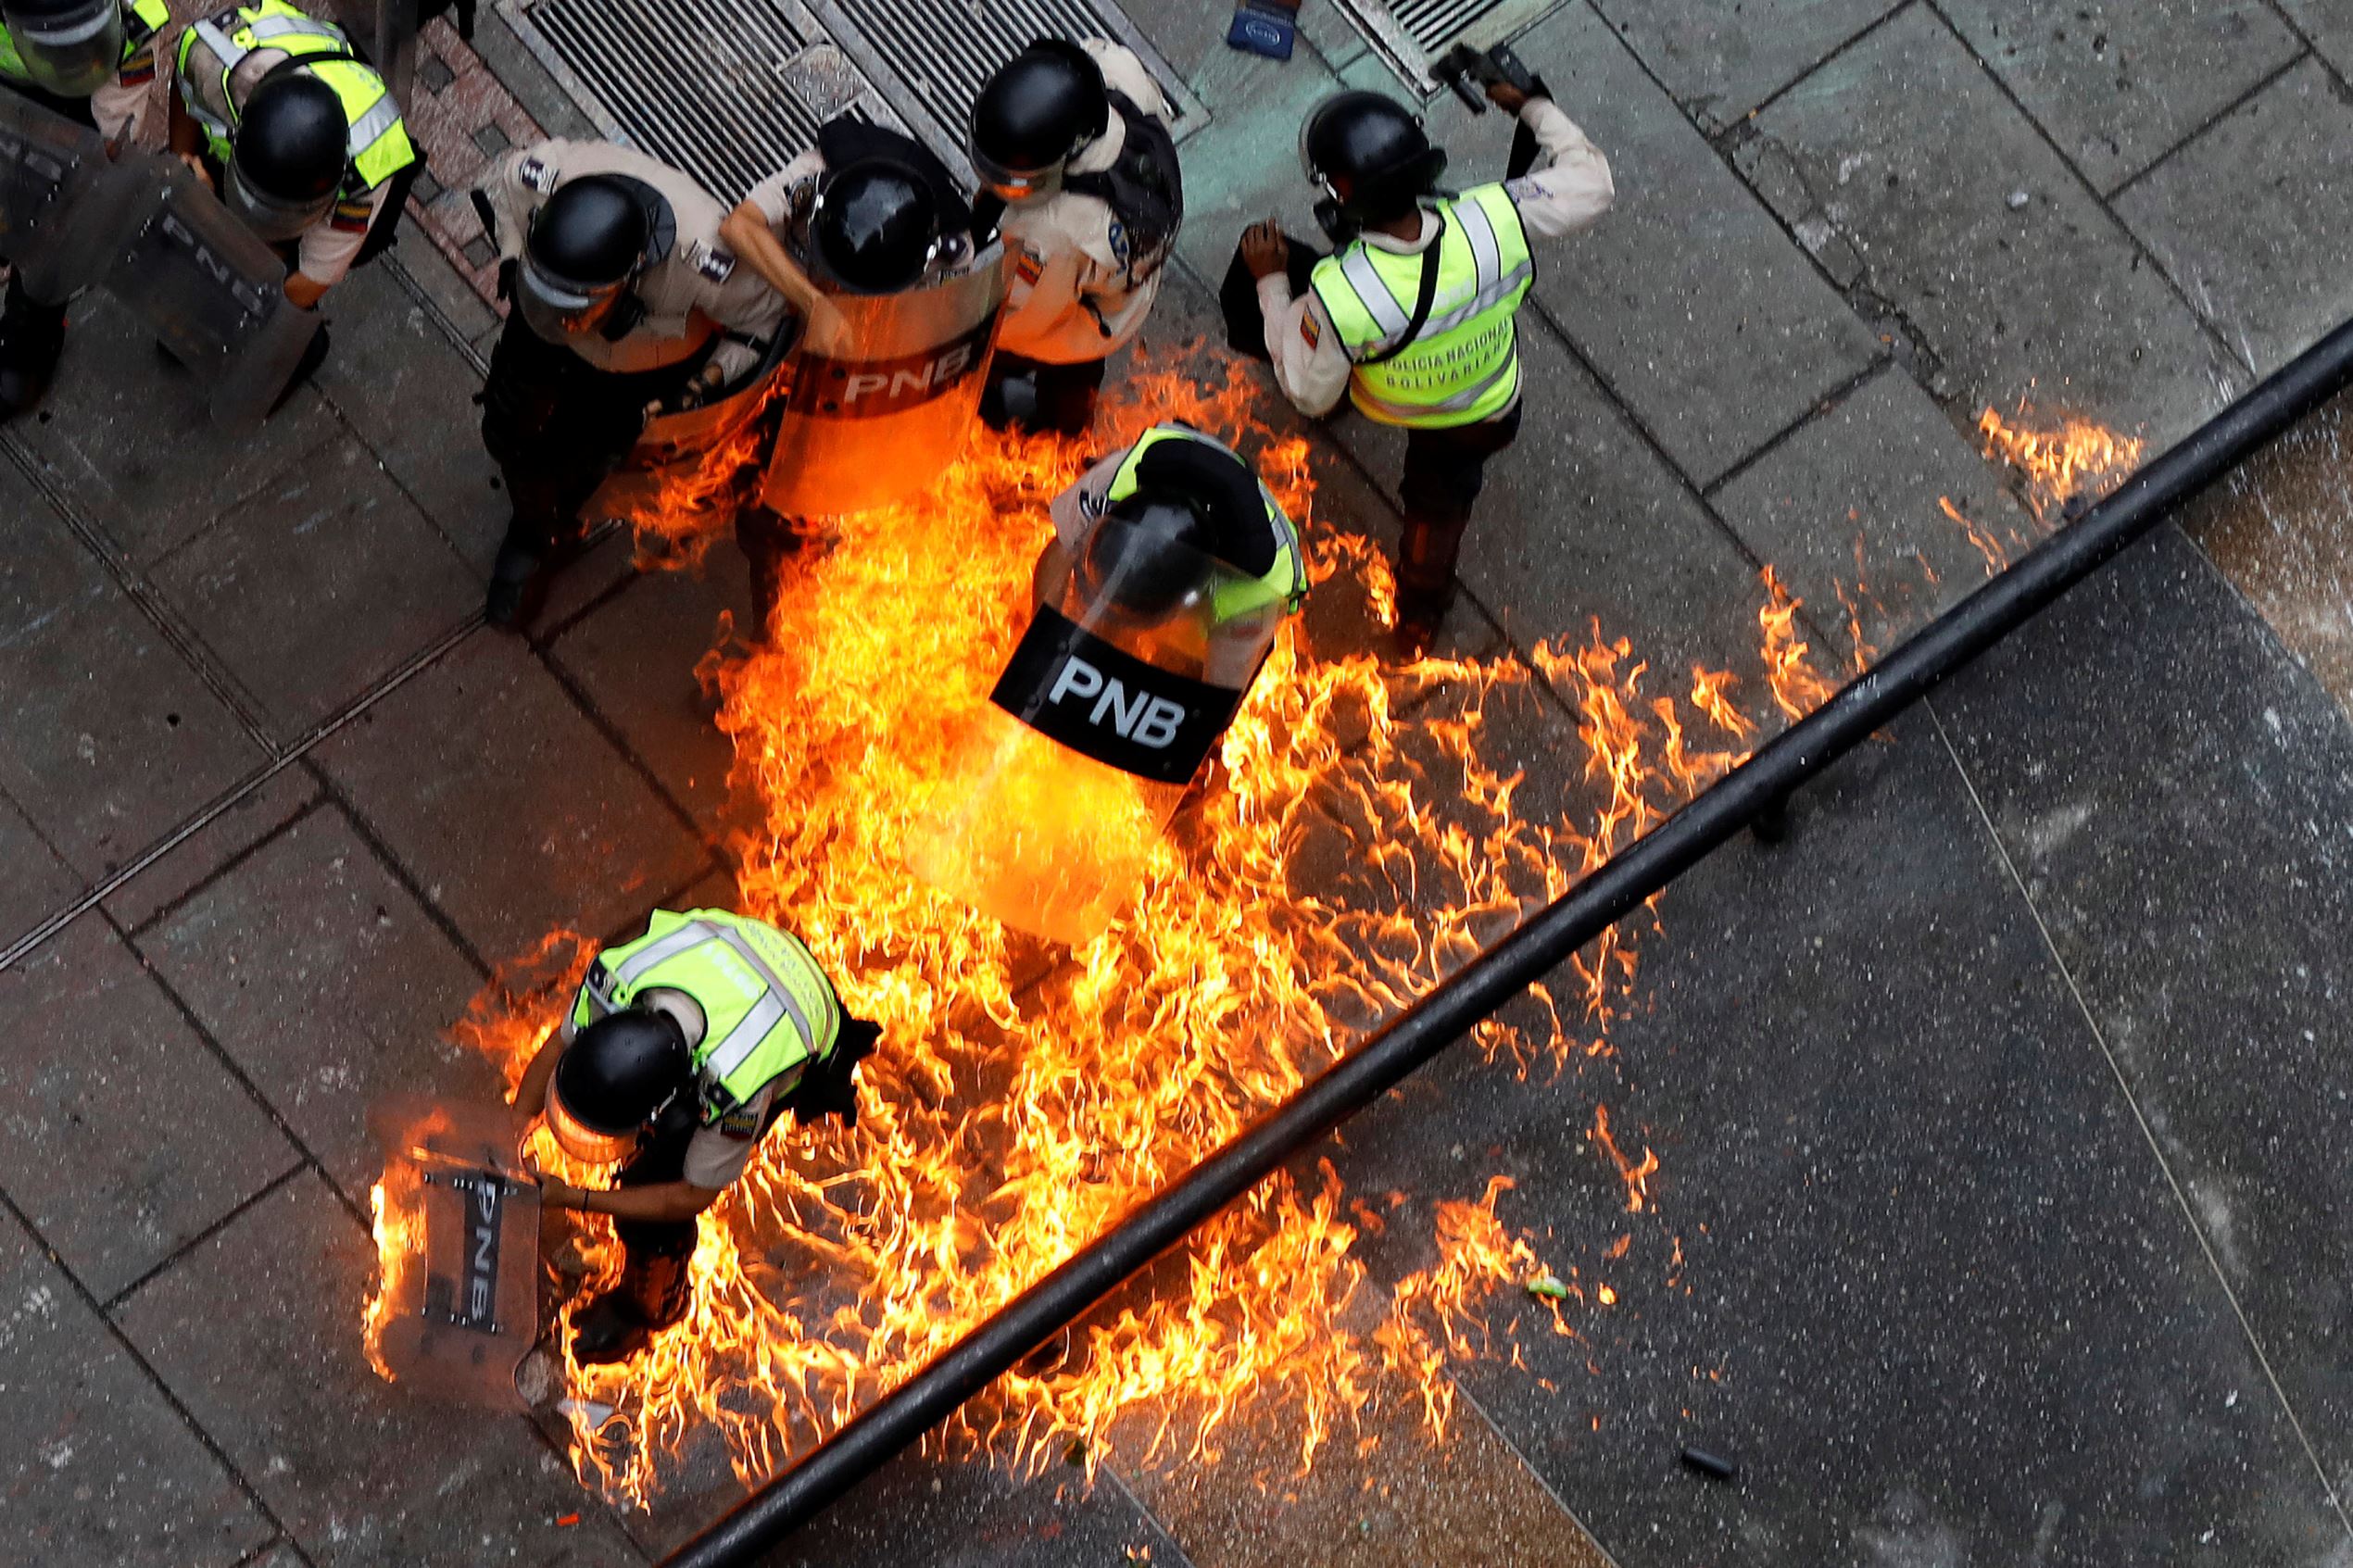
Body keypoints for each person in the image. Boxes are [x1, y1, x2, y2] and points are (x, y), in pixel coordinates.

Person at [1240, 82, 1612, 655]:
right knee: (1441, 507)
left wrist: (1270, 281)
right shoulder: (1495, 216)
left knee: (1431, 522)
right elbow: (1591, 183)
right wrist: (1532, 106)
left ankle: (1420, 614)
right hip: (1491, 407)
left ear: (1341, 193)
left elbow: (1307, 393)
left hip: (1423, 418)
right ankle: (1420, 612)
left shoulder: (1344, 295)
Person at [512, 908, 880, 1364]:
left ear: (654, 1109)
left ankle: (653, 1304)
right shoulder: (617, 979)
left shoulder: (738, 1083)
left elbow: (689, 1196)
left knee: (660, 1168)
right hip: (738, 947)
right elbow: (559, 1044)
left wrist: (579, 1198)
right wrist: (508, 1134)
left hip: (800, 1013)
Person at [472, 141, 790, 628]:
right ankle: (532, 529)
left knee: (598, 456)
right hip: (541, 335)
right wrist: (517, 263)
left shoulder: (703, 260)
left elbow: (762, 325)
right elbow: (509, 203)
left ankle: (565, 515)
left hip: (642, 373)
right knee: (508, 426)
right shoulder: (538, 176)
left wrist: (704, 384)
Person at [717, 117, 978, 633]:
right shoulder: (817, 177)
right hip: (798, 313)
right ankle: (771, 607)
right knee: (765, 505)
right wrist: (817, 303)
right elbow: (739, 227)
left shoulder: (952, 256)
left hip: (870, 357)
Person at [968, 37, 1180, 437]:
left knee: (987, 356)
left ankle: (1038, 437)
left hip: (1091, 321)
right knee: (1076, 390)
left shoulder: (1051, 234)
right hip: (1129, 279)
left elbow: (1021, 322)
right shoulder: (1120, 75)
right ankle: (1070, 429)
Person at [169, 0, 419, 315]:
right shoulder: (210, 59)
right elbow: (186, 85)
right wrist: (180, 163)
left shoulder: (369, 165)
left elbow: (301, 290)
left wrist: (206, 216)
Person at [1041, 420, 1306, 688]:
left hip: (1231, 600)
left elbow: (1212, 704)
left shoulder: (1255, 599)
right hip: (1171, 475)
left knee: (1181, 665)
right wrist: (1041, 643)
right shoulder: (1109, 485)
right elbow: (1062, 549)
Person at [0, 0, 169, 417]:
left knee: (63, 215)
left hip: (78, 97)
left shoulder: (134, 19)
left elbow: (112, 137)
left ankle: (34, 330)